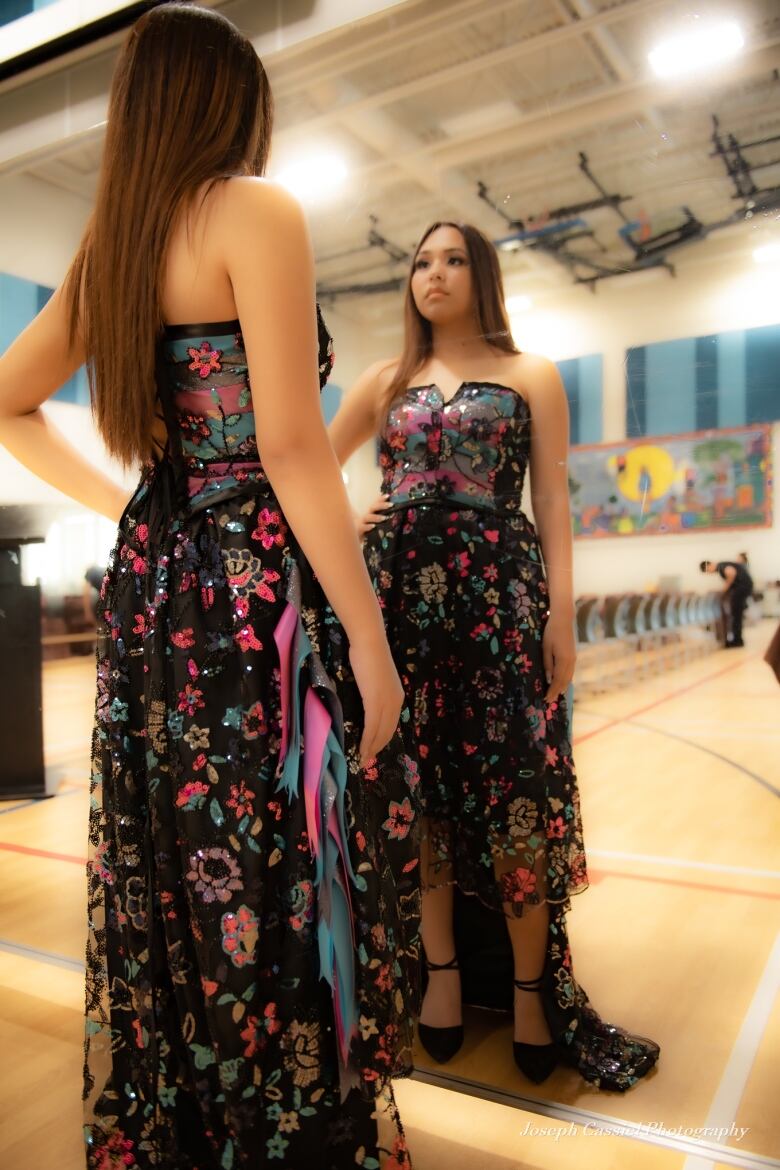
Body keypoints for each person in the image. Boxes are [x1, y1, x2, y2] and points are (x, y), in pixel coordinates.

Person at [0, 6, 422, 1168]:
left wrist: (126, 511)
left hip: (158, 584)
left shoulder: (117, 246)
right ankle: (284, 1124)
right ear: (232, 102)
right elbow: (291, 447)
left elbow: (7, 398)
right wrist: (372, 645)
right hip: (253, 591)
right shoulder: (254, 209)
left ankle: (201, 1113)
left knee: (188, 857)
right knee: (288, 846)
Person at [327, 220, 660, 1091]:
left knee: (514, 790)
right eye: (420, 259)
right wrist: (350, 516)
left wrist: (560, 613)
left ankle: (527, 987)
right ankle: (439, 978)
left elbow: (552, 496)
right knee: (418, 786)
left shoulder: (530, 375)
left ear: (483, 276)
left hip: (498, 600)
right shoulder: (382, 381)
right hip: (399, 602)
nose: (432, 274)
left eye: (452, 259)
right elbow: (309, 467)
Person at [700, 558, 754, 647]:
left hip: (741, 589)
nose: (709, 573)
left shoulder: (721, 566)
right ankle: (737, 639)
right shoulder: (722, 566)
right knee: (736, 615)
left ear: (709, 566)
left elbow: (731, 573)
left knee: (736, 615)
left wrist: (724, 590)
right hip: (744, 588)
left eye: (708, 571)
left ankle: (737, 640)